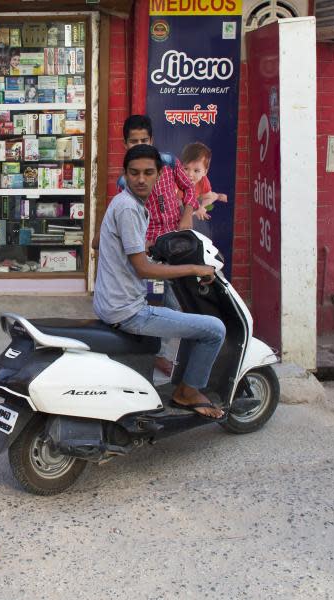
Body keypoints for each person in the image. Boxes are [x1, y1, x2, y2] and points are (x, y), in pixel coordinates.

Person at [94, 144, 226, 419]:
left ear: (159, 175)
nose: (141, 179)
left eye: (148, 173)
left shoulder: (125, 204)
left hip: (112, 303)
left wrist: (156, 247)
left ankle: (183, 382)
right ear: (125, 175)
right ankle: (187, 393)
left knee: (191, 323)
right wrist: (194, 268)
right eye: (134, 173)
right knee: (214, 329)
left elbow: (120, 248)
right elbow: (143, 269)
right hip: (128, 310)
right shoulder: (129, 208)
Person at [97, 115, 201, 377]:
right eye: (133, 142)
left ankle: (163, 354)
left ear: (152, 141)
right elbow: (125, 241)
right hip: (149, 248)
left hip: (174, 242)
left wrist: (187, 214)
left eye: (144, 140)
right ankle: (155, 355)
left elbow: (190, 189)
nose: (141, 178)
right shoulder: (126, 191)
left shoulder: (168, 163)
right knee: (151, 299)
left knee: (175, 302)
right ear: (125, 145)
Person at [180, 141, 228, 241]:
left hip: (198, 194)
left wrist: (203, 207)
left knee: (209, 196)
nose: (190, 174)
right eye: (186, 168)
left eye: (196, 171)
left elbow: (207, 197)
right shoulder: (176, 181)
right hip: (186, 198)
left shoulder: (203, 181)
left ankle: (217, 195)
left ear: (205, 172)